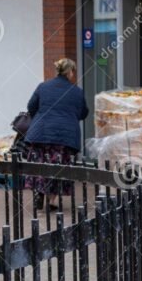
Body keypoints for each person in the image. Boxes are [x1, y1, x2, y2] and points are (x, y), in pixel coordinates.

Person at [24, 58, 89, 209]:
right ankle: (51, 201)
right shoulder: (77, 92)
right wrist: (70, 118)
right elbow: (83, 113)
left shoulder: (43, 86)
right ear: (70, 72)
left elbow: (31, 106)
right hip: (63, 138)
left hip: (40, 133)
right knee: (58, 167)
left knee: (39, 164)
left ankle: (38, 194)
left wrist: (41, 117)